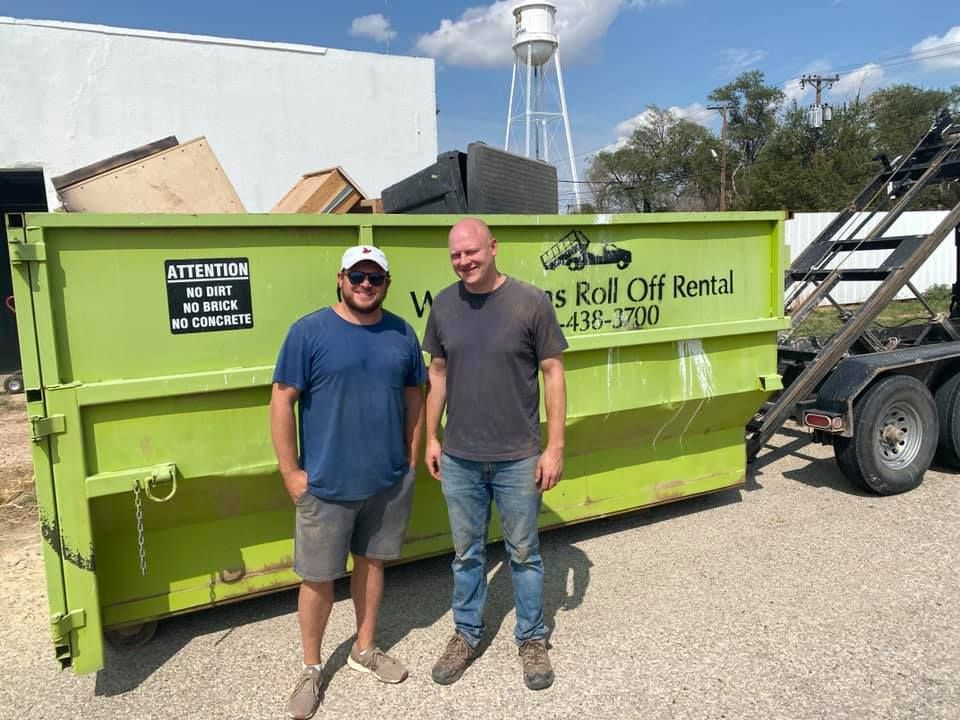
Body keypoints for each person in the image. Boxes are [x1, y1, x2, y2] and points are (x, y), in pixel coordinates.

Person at [270, 245, 426, 720]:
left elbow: (415, 400)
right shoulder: (309, 331)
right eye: (357, 276)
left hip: (386, 481)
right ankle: (311, 668)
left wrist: (411, 462)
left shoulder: (402, 333)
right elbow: (281, 402)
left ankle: (365, 648)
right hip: (325, 486)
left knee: (373, 564)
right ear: (340, 279)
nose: (365, 284)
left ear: (386, 284)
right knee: (317, 579)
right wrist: (292, 473)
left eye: (374, 278)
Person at [422, 217, 568, 691]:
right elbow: (438, 375)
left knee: (524, 554)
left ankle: (531, 639)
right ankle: (466, 634)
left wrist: (555, 446)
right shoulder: (443, 305)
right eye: (456, 255)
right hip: (461, 457)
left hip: (519, 456)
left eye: (472, 251)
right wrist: (431, 438)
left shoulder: (531, 302)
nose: (464, 261)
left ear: (493, 247)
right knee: (466, 555)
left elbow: (553, 373)